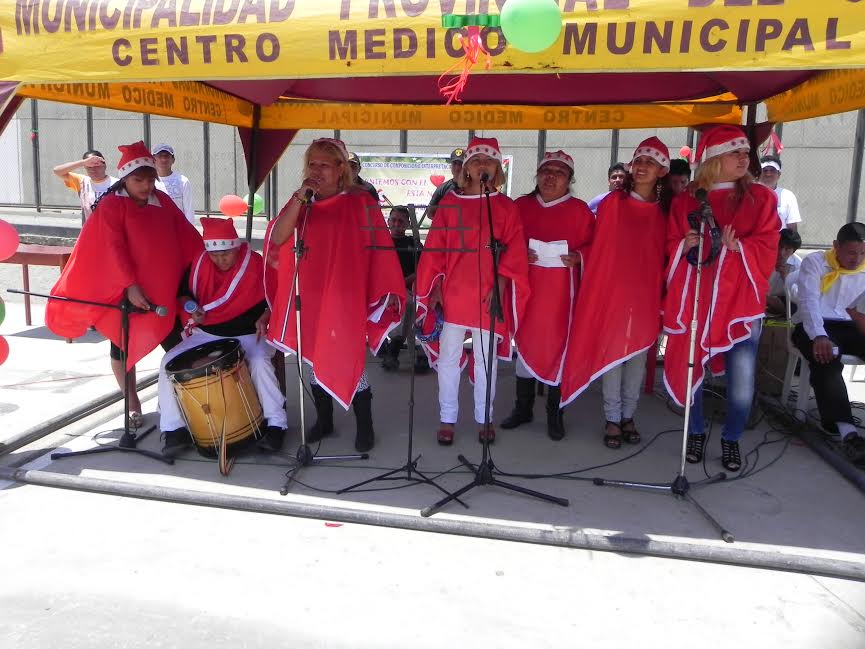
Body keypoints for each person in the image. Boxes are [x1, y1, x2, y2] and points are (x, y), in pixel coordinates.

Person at [46, 141, 203, 437]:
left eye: (149, 179)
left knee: (176, 344)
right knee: (121, 346)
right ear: (125, 179)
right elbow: (111, 248)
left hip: (162, 287)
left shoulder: (162, 201)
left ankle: (190, 401)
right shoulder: (112, 204)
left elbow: (186, 235)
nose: (145, 186)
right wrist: (129, 285)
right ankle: (132, 403)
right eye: (137, 180)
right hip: (120, 289)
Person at [265, 138, 405, 453]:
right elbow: (278, 236)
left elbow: (380, 249)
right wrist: (301, 197)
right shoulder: (304, 200)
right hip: (309, 292)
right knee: (314, 358)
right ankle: (324, 420)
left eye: (324, 165)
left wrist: (388, 287)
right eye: (312, 164)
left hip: (345, 293)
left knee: (346, 355)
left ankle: (364, 425)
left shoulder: (361, 201)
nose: (316, 170)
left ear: (341, 169)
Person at [664, 125, 779, 472]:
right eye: (736, 152)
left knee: (741, 385)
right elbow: (670, 242)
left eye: (746, 152)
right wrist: (684, 245)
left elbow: (769, 244)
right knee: (691, 370)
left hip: (740, 305)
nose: (745, 158)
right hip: (697, 300)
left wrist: (738, 248)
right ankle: (696, 430)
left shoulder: (762, 198)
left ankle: (731, 439)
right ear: (714, 158)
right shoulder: (687, 200)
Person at [415, 137, 530, 445]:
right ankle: (447, 417)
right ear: (466, 167)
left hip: (488, 296)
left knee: (485, 359)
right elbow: (434, 251)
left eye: (488, 161)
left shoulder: (505, 207)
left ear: (497, 168)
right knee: (449, 358)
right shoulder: (450, 205)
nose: (482, 165)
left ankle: (484, 417)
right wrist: (435, 289)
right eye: (476, 160)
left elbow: (514, 252)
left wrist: (502, 286)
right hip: (452, 294)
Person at [560, 137, 671, 449]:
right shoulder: (611, 204)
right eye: (639, 161)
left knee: (636, 357)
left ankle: (628, 415)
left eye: (651, 162)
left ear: (662, 171)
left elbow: (666, 254)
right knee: (613, 357)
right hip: (612, 293)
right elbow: (597, 243)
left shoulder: (664, 212)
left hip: (646, 294)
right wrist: (581, 255)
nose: (643, 167)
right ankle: (612, 417)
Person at [157, 216, 287, 456]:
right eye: (215, 255)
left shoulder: (256, 264)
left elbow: (279, 295)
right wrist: (190, 308)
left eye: (226, 253)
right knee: (168, 363)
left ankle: (276, 424)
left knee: (259, 362)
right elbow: (183, 295)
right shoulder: (198, 264)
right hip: (208, 332)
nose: (220, 259)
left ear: (236, 246)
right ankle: (175, 430)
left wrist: (267, 314)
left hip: (250, 333)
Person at [502, 150, 594, 440]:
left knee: (560, 351)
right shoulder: (520, 206)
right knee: (525, 348)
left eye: (559, 172)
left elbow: (597, 247)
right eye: (546, 171)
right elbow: (502, 242)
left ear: (569, 179)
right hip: (528, 290)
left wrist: (580, 256)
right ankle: (523, 408)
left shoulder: (580, 211)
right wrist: (518, 253)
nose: (550, 177)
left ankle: (556, 412)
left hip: (562, 296)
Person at [791, 222, 865, 464]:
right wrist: (819, 336)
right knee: (826, 357)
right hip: (812, 325)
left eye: (863, 253)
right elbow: (809, 302)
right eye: (852, 253)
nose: (857, 259)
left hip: (850, 325)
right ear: (836, 246)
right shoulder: (815, 262)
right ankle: (848, 433)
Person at [381, 205, 428, 374]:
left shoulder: (414, 243)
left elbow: (423, 269)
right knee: (406, 302)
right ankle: (396, 348)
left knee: (425, 305)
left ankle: (423, 352)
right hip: (388, 290)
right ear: (388, 221)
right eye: (393, 220)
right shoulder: (382, 243)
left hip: (412, 287)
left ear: (408, 224)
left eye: (401, 221)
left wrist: (405, 282)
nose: (396, 223)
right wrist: (397, 285)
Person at [52, 150, 118, 221]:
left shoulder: (117, 183)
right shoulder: (82, 181)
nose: (93, 169)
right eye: (89, 167)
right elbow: (57, 171)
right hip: (90, 230)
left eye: (97, 165)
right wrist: (83, 162)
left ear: (104, 165)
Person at [153, 143, 195, 224]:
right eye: (160, 156)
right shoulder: (149, 182)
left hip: (178, 229)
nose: (163, 159)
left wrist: (190, 232)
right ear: (153, 160)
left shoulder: (183, 181)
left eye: (167, 156)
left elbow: (189, 210)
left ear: (173, 160)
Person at [758, 155, 802, 231]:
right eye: (765, 170)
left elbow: (792, 225)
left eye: (772, 170)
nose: (768, 174)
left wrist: (792, 242)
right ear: (759, 173)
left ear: (779, 174)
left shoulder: (788, 196)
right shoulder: (750, 194)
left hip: (780, 241)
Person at [766, 228, 803, 317]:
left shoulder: (798, 265)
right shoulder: (764, 258)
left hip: (785, 301)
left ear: (793, 251)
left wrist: (786, 278)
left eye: (787, 249)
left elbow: (799, 296)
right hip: (762, 298)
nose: (781, 252)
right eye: (780, 246)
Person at [425, 147, 465, 221]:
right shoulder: (442, 188)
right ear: (451, 166)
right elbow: (429, 213)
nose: (457, 168)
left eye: (460, 164)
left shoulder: (473, 187)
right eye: (454, 164)